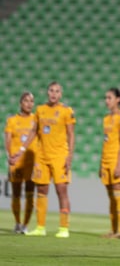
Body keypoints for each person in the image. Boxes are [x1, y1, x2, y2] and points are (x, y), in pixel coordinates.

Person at [10, 81, 76, 238]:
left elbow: (71, 134)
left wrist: (70, 156)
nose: (53, 94)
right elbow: (33, 132)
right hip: (42, 156)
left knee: (62, 191)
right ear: (47, 93)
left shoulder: (66, 111)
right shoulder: (40, 110)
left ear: (61, 94)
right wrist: (20, 151)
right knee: (41, 191)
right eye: (51, 90)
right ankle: (40, 227)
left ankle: (64, 228)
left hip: (59, 156)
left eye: (57, 91)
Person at [4, 92, 37, 234]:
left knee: (30, 194)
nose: (29, 103)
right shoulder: (12, 120)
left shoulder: (37, 119)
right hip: (16, 162)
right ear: (20, 103)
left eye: (31, 101)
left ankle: (25, 225)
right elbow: (8, 140)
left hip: (31, 162)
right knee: (16, 193)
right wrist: (10, 157)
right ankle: (17, 222)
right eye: (26, 100)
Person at [100, 88, 120, 239]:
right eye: (106, 98)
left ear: (118, 99)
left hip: (118, 160)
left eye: (109, 98)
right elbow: (105, 143)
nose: (107, 101)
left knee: (119, 195)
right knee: (111, 197)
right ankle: (113, 230)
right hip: (106, 161)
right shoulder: (106, 118)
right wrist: (101, 163)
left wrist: (119, 164)